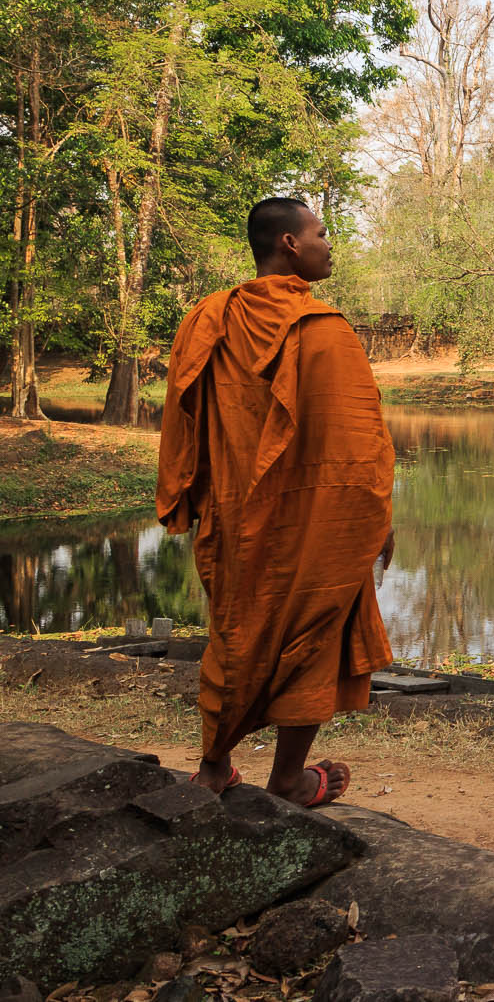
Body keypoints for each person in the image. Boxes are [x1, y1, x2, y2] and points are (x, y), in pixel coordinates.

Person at [155, 196, 396, 806]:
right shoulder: (324, 328)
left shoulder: (210, 319)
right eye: (321, 233)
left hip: (236, 518)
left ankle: (214, 769)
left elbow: (183, 420)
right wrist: (374, 518)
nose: (328, 245)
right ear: (290, 243)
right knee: (315, 633)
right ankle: (287, 779)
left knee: (236, 632)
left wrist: (191, 492)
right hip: (317, 522)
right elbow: (357, 444)